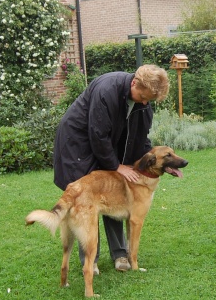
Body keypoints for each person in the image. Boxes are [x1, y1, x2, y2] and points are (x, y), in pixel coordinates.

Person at [53, 64, 170, 271]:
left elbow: (140, 139)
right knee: (87, 199)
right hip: (78, 143)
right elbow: (98, 134)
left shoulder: (143, 104)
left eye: (149, 100)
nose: (145, 103)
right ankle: (91, 261)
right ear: (134, 83)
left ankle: (120, 255)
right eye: (143, 97)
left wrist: (145, 164)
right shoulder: (107, 90)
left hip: (104, 143)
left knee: (115, 193)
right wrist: (116, 166)